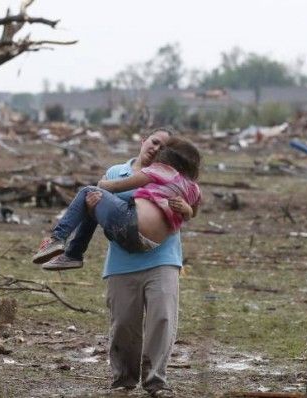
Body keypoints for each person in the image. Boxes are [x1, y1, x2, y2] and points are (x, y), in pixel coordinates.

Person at [45, 127, 196, 397]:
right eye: (153, 141)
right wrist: (94, 204)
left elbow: (192, 205)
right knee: (124, 325)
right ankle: (123, 380)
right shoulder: (117, 172)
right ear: (143, 141)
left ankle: (156, 381)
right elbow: (105, 210)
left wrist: (188, 210)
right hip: (122, 263)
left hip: (163, 259)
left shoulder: (175, 176)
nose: (155, 148)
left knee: (162, 319)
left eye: (163, 146)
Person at [31, 136, 201, 270]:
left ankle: (58, 240)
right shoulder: (193, 188)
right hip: (149, 244)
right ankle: (72, 254)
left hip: (131, 226)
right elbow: (193, 212)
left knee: (88, 193)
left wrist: (103, 184)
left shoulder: (160, 170)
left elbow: (119, 186)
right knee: (94, 202)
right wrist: (188, 210)